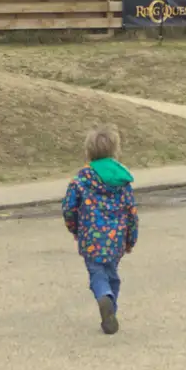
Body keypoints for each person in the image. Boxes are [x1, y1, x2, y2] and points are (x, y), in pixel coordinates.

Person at [61, 124, 139, 336]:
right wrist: (131, 239)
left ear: (88, 152)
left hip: (91, 238)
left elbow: (69, 209)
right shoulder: (123, 183)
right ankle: (111, 309)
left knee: (97, 273)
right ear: (115, 151)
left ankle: (104, 296)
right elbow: (131, 213)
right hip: (117, 240)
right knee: (112, 273)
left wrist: (75, 228)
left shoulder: (80, 181)